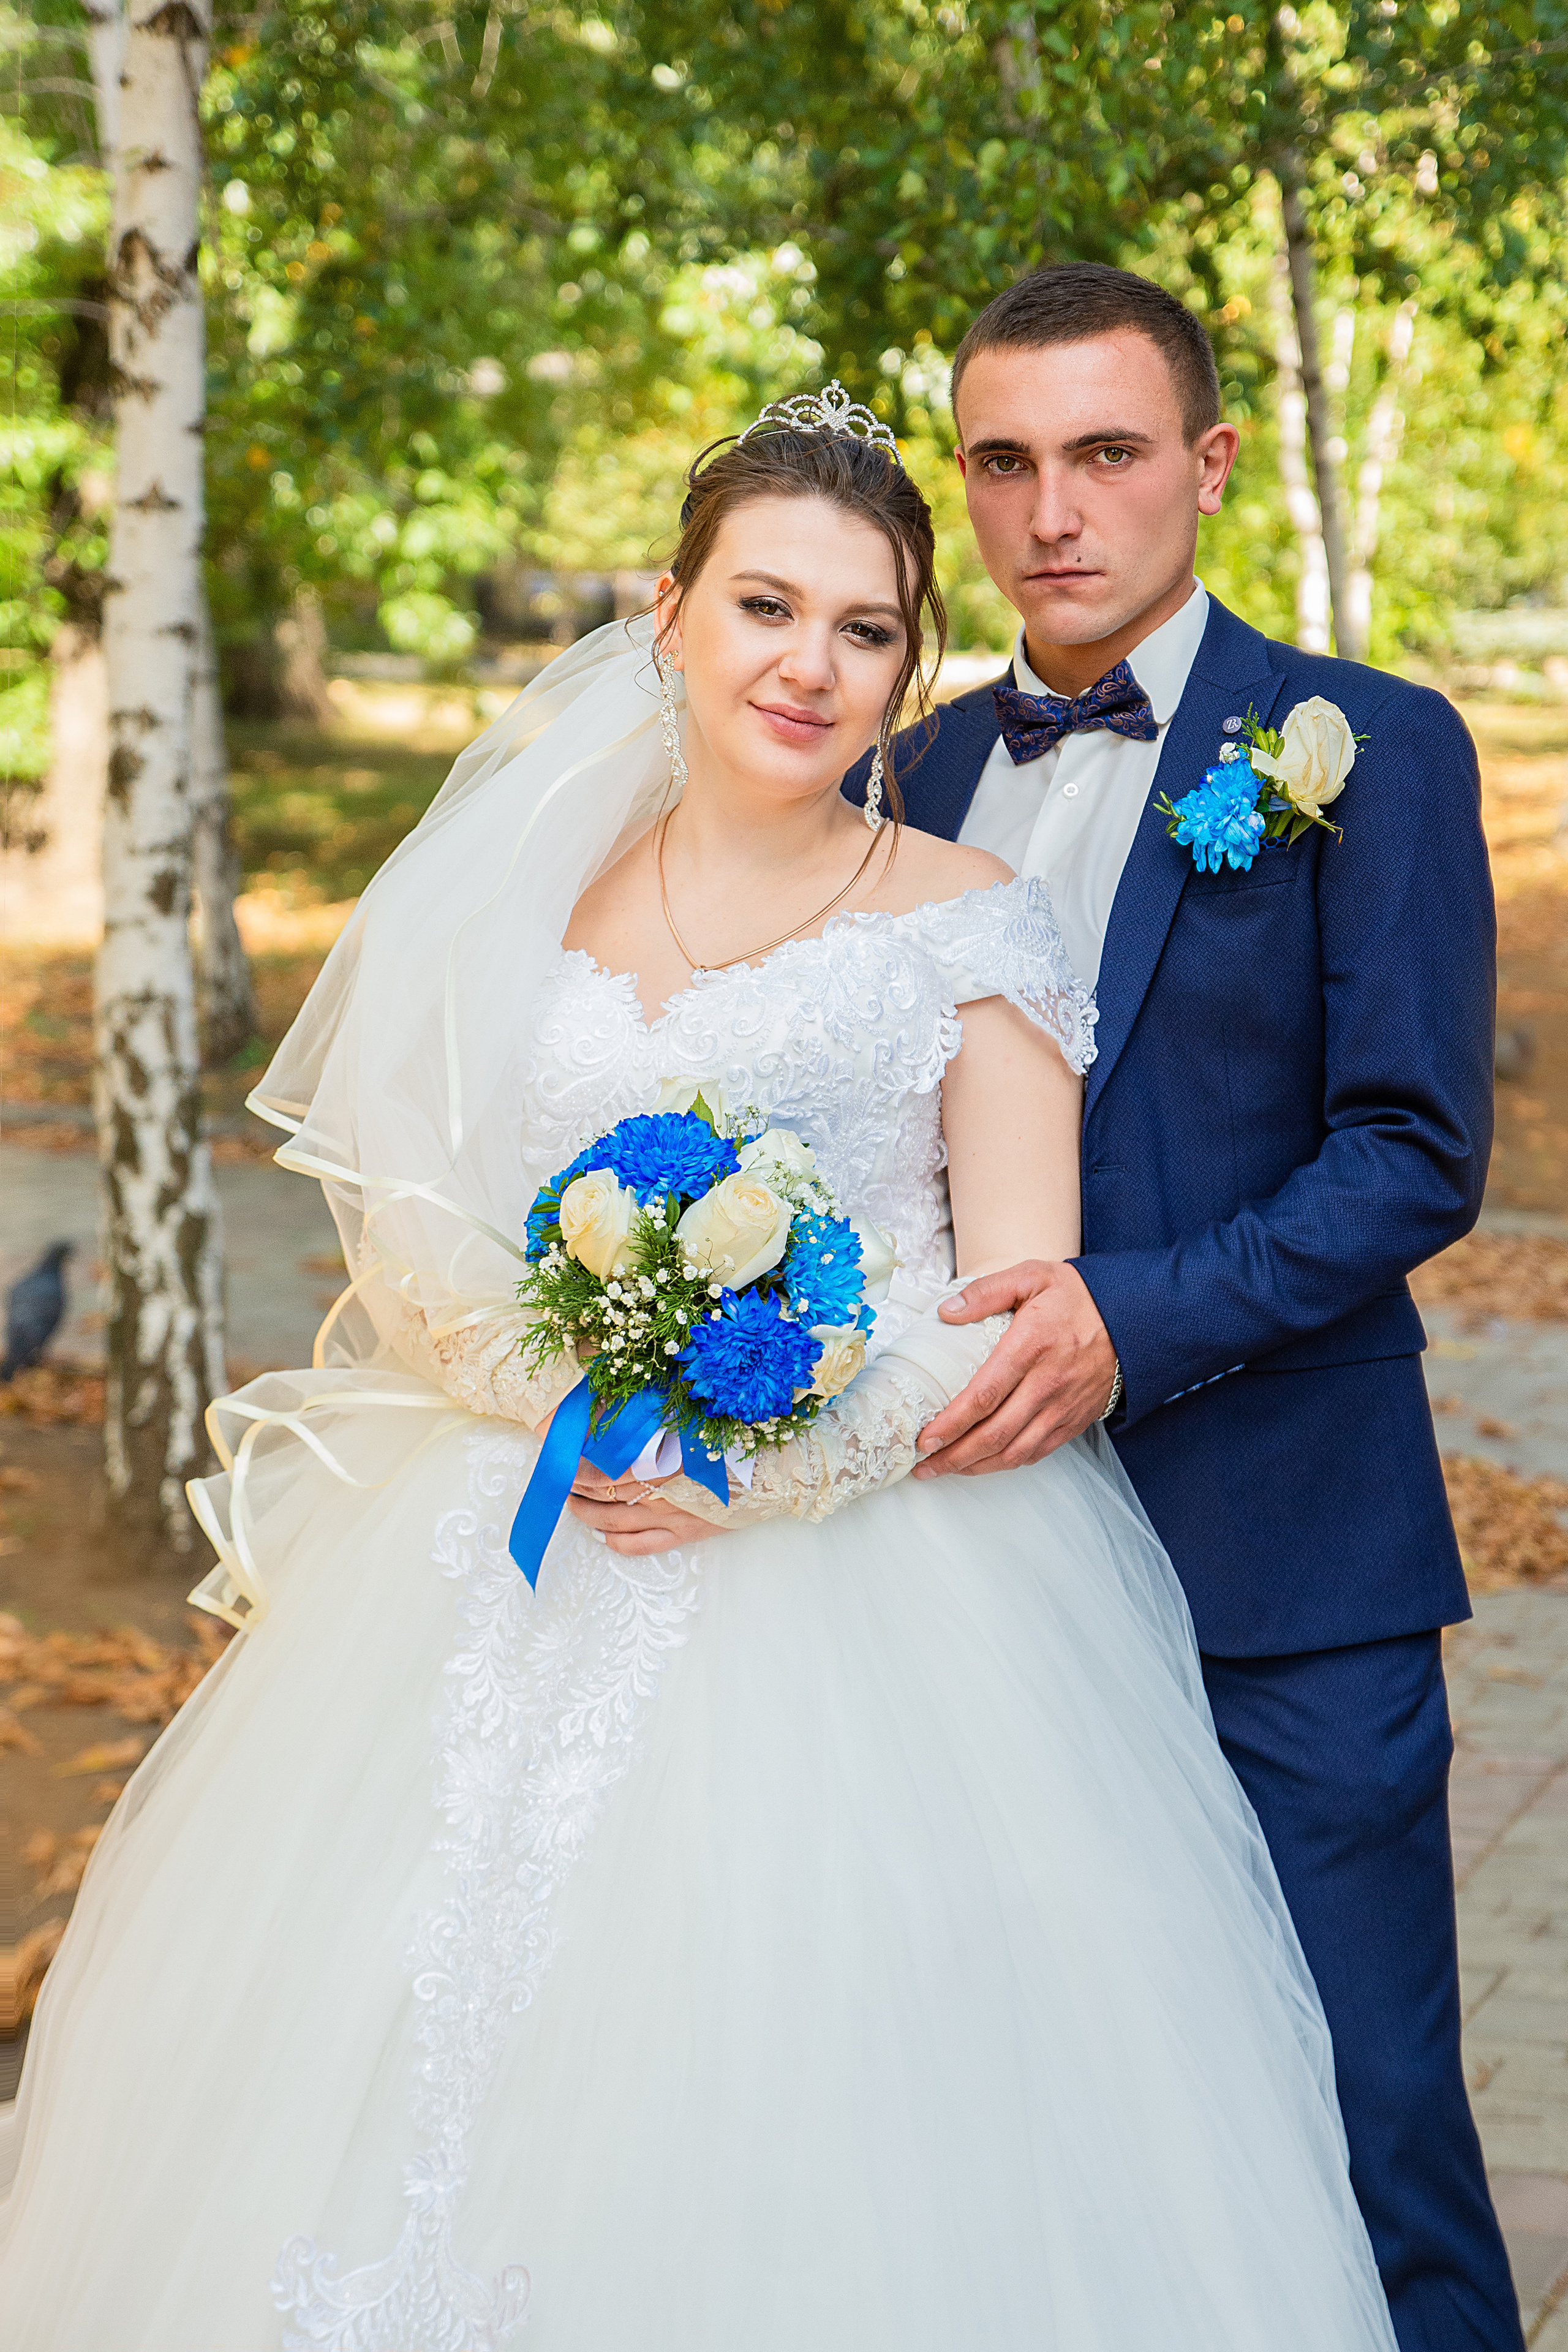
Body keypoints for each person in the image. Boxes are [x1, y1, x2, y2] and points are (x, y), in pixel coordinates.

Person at [0, 398, 1399, 2351]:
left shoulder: (970, 928)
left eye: (866, 629)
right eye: (765, 605)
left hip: (873, 1583)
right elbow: (409, 1213)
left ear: (911, 660)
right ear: (667, 613)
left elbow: (1017, 1293)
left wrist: (779, 1455)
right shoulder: (524, 902)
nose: (810, 666)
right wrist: (538, 1374)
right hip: (515, 1534)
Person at [841, 262, 1514, 2352]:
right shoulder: (898, 778)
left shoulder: (1369, 751)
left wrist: (1134, 1319)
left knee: (1364, 2102)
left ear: (1207, 465)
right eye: (1008, 463)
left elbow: (1414, 1149)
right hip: (957, 1572)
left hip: (1284, 1553)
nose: (1056, 510)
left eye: (1107, 454)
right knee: (1041, 2116)